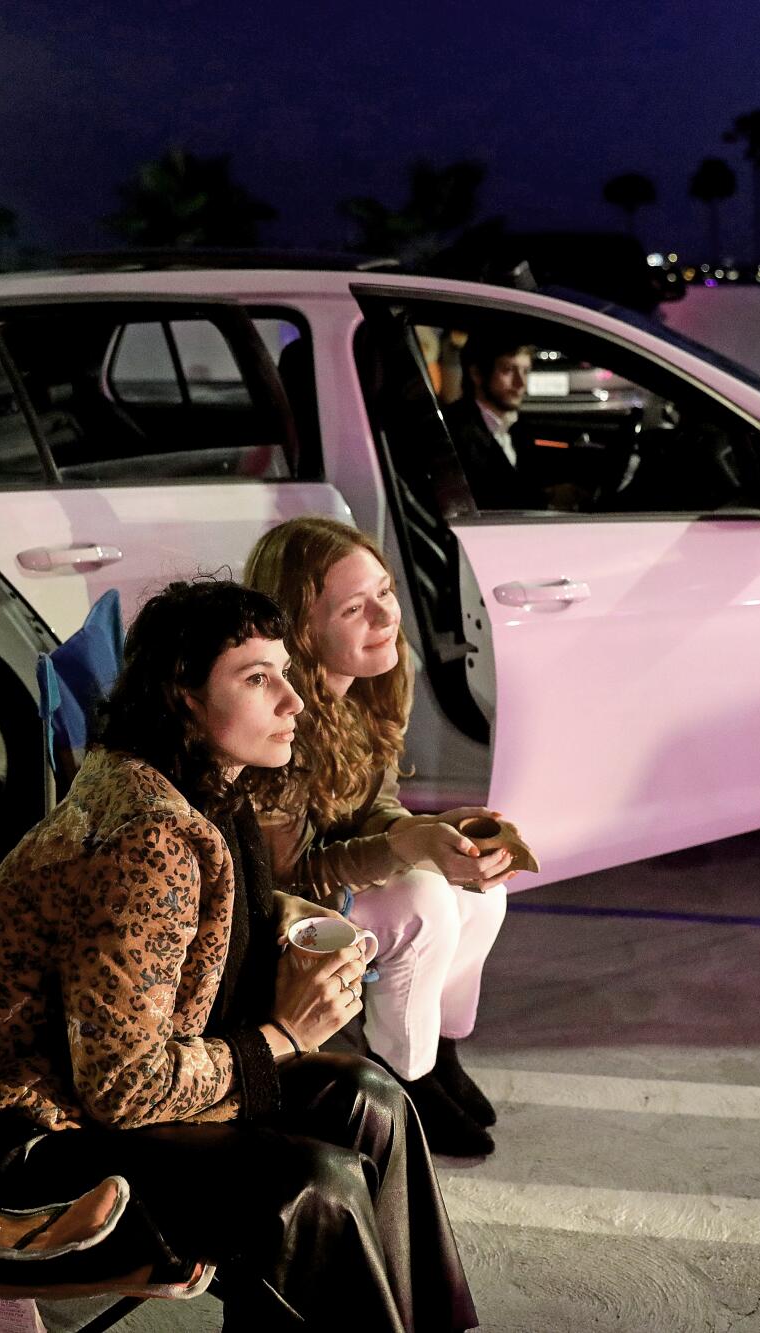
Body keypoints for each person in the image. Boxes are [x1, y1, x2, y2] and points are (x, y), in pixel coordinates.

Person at [0, 579, 477, 1332]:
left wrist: (285, 923)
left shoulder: (201, 785)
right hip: (3, 1141)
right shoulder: (151, 840)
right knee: (309, 1189)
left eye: (286, 674)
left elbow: (195, 942)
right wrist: (285, 1036)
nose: (293, 702)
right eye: (256, 678)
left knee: (374, 1102)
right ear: (186, 696)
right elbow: (125, 1088)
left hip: (74, 1096)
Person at [243, 517, 521, 1159]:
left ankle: (440, 1053)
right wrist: (405, 850)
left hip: (328, 886)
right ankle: (403, 1083)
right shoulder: (282, 722)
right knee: (420, 900)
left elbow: (375, 804)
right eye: (353, 607)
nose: (384, 615)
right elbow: (284, 880)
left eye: (386, 592)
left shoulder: (369, 682)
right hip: (273, 915)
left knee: (480, 892)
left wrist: (429, 832)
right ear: (301, 632)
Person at [441, 333, 539, 511]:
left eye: (526, 371)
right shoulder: (451, 431)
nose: (520, 382)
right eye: (508, 370)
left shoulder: (519, 427)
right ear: (477, 373)